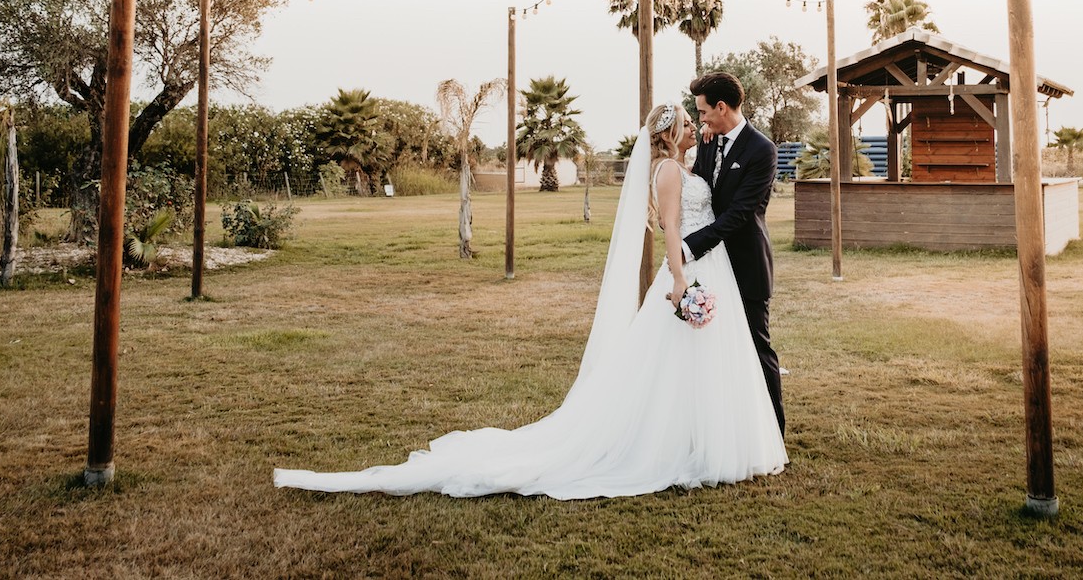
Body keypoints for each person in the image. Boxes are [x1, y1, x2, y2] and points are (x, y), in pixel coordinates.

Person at [273, 103, 787, 498]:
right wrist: (678, 284)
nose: (696, 127)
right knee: (676, 364)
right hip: (688, 271)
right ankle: (682, 445)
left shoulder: (681, 163)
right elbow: (673, 227)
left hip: (705, 268)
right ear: (671, 133)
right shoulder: (671, 172)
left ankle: (695, 438)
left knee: (690, 365)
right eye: (688, 123)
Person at [686, 71, 784, 435]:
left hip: (745, 264)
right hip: (711, 268)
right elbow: (698, 188)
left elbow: (741, 214)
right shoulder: (709, 141)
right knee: (716, 350)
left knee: (758, 349)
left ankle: (773, 434)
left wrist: (689, 245)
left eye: (703, 112)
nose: (701, 119)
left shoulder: (762, 150)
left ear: (722, 107)